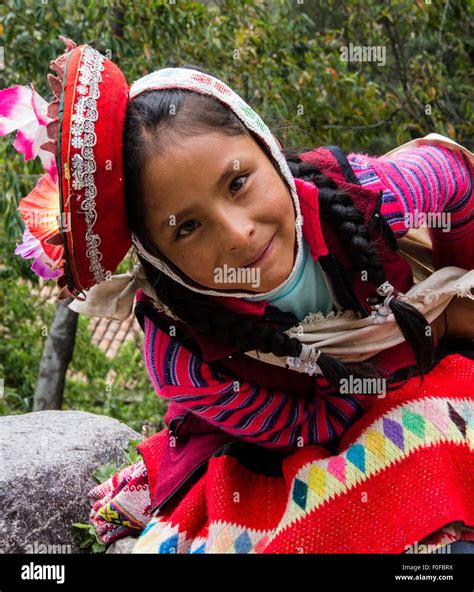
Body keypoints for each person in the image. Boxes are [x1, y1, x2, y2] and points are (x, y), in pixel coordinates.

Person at [2, 37, 473, 554]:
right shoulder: (182, 357)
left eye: (238, 183)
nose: (237, 233)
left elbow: (456, 178)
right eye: (187, 228)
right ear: (159, 257)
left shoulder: (367, 194)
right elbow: (297, 426)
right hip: (295, 431)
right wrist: (390, 376)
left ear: (267, 148)